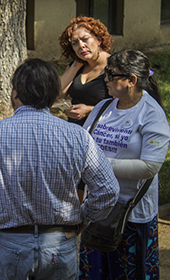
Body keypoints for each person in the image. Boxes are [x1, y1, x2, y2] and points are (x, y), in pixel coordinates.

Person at [0, 58, 120, 279]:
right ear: (53, 95)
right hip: (59, 245)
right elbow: (108, 190)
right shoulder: (77, 136)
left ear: (15, 93)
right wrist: (83, 219)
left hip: (10, 244)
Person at [79, 50, 170, 279]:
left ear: (132, 81)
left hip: (130, 214)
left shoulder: (151, 114)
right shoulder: (102, 108)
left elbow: (149, 166)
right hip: (98, 208)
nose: (105, 79)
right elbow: (82, 145)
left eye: (111, 74)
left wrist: (101, 164)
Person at [58, 16, 113, 126]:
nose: (81, 46)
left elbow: (124, 106)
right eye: (75, 43)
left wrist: (90, 111)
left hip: (104, 131)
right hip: (76, 131)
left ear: (98, 40)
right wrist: (76, 64)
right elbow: (58, 93)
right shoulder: (76, 66)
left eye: (85, 39)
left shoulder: (114, 66)